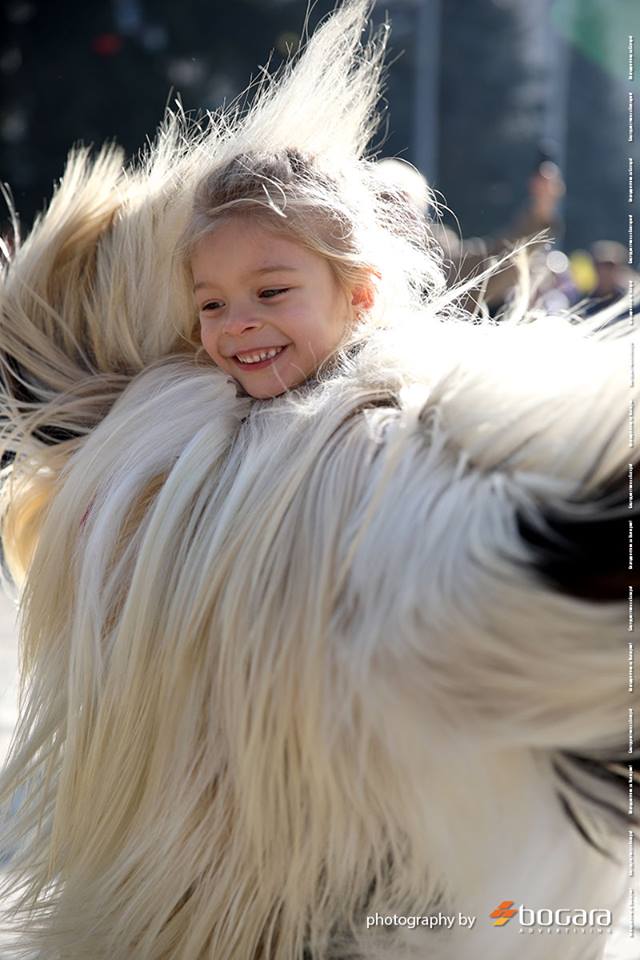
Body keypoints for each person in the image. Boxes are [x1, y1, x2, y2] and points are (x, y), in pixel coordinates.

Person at [0, 2, 636, 958]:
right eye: (210, 303)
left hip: (366, 848)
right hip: (211, 846)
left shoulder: (408, 431)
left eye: (271, 292)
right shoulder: (175, 413)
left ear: (360, 292)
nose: (237, 324)